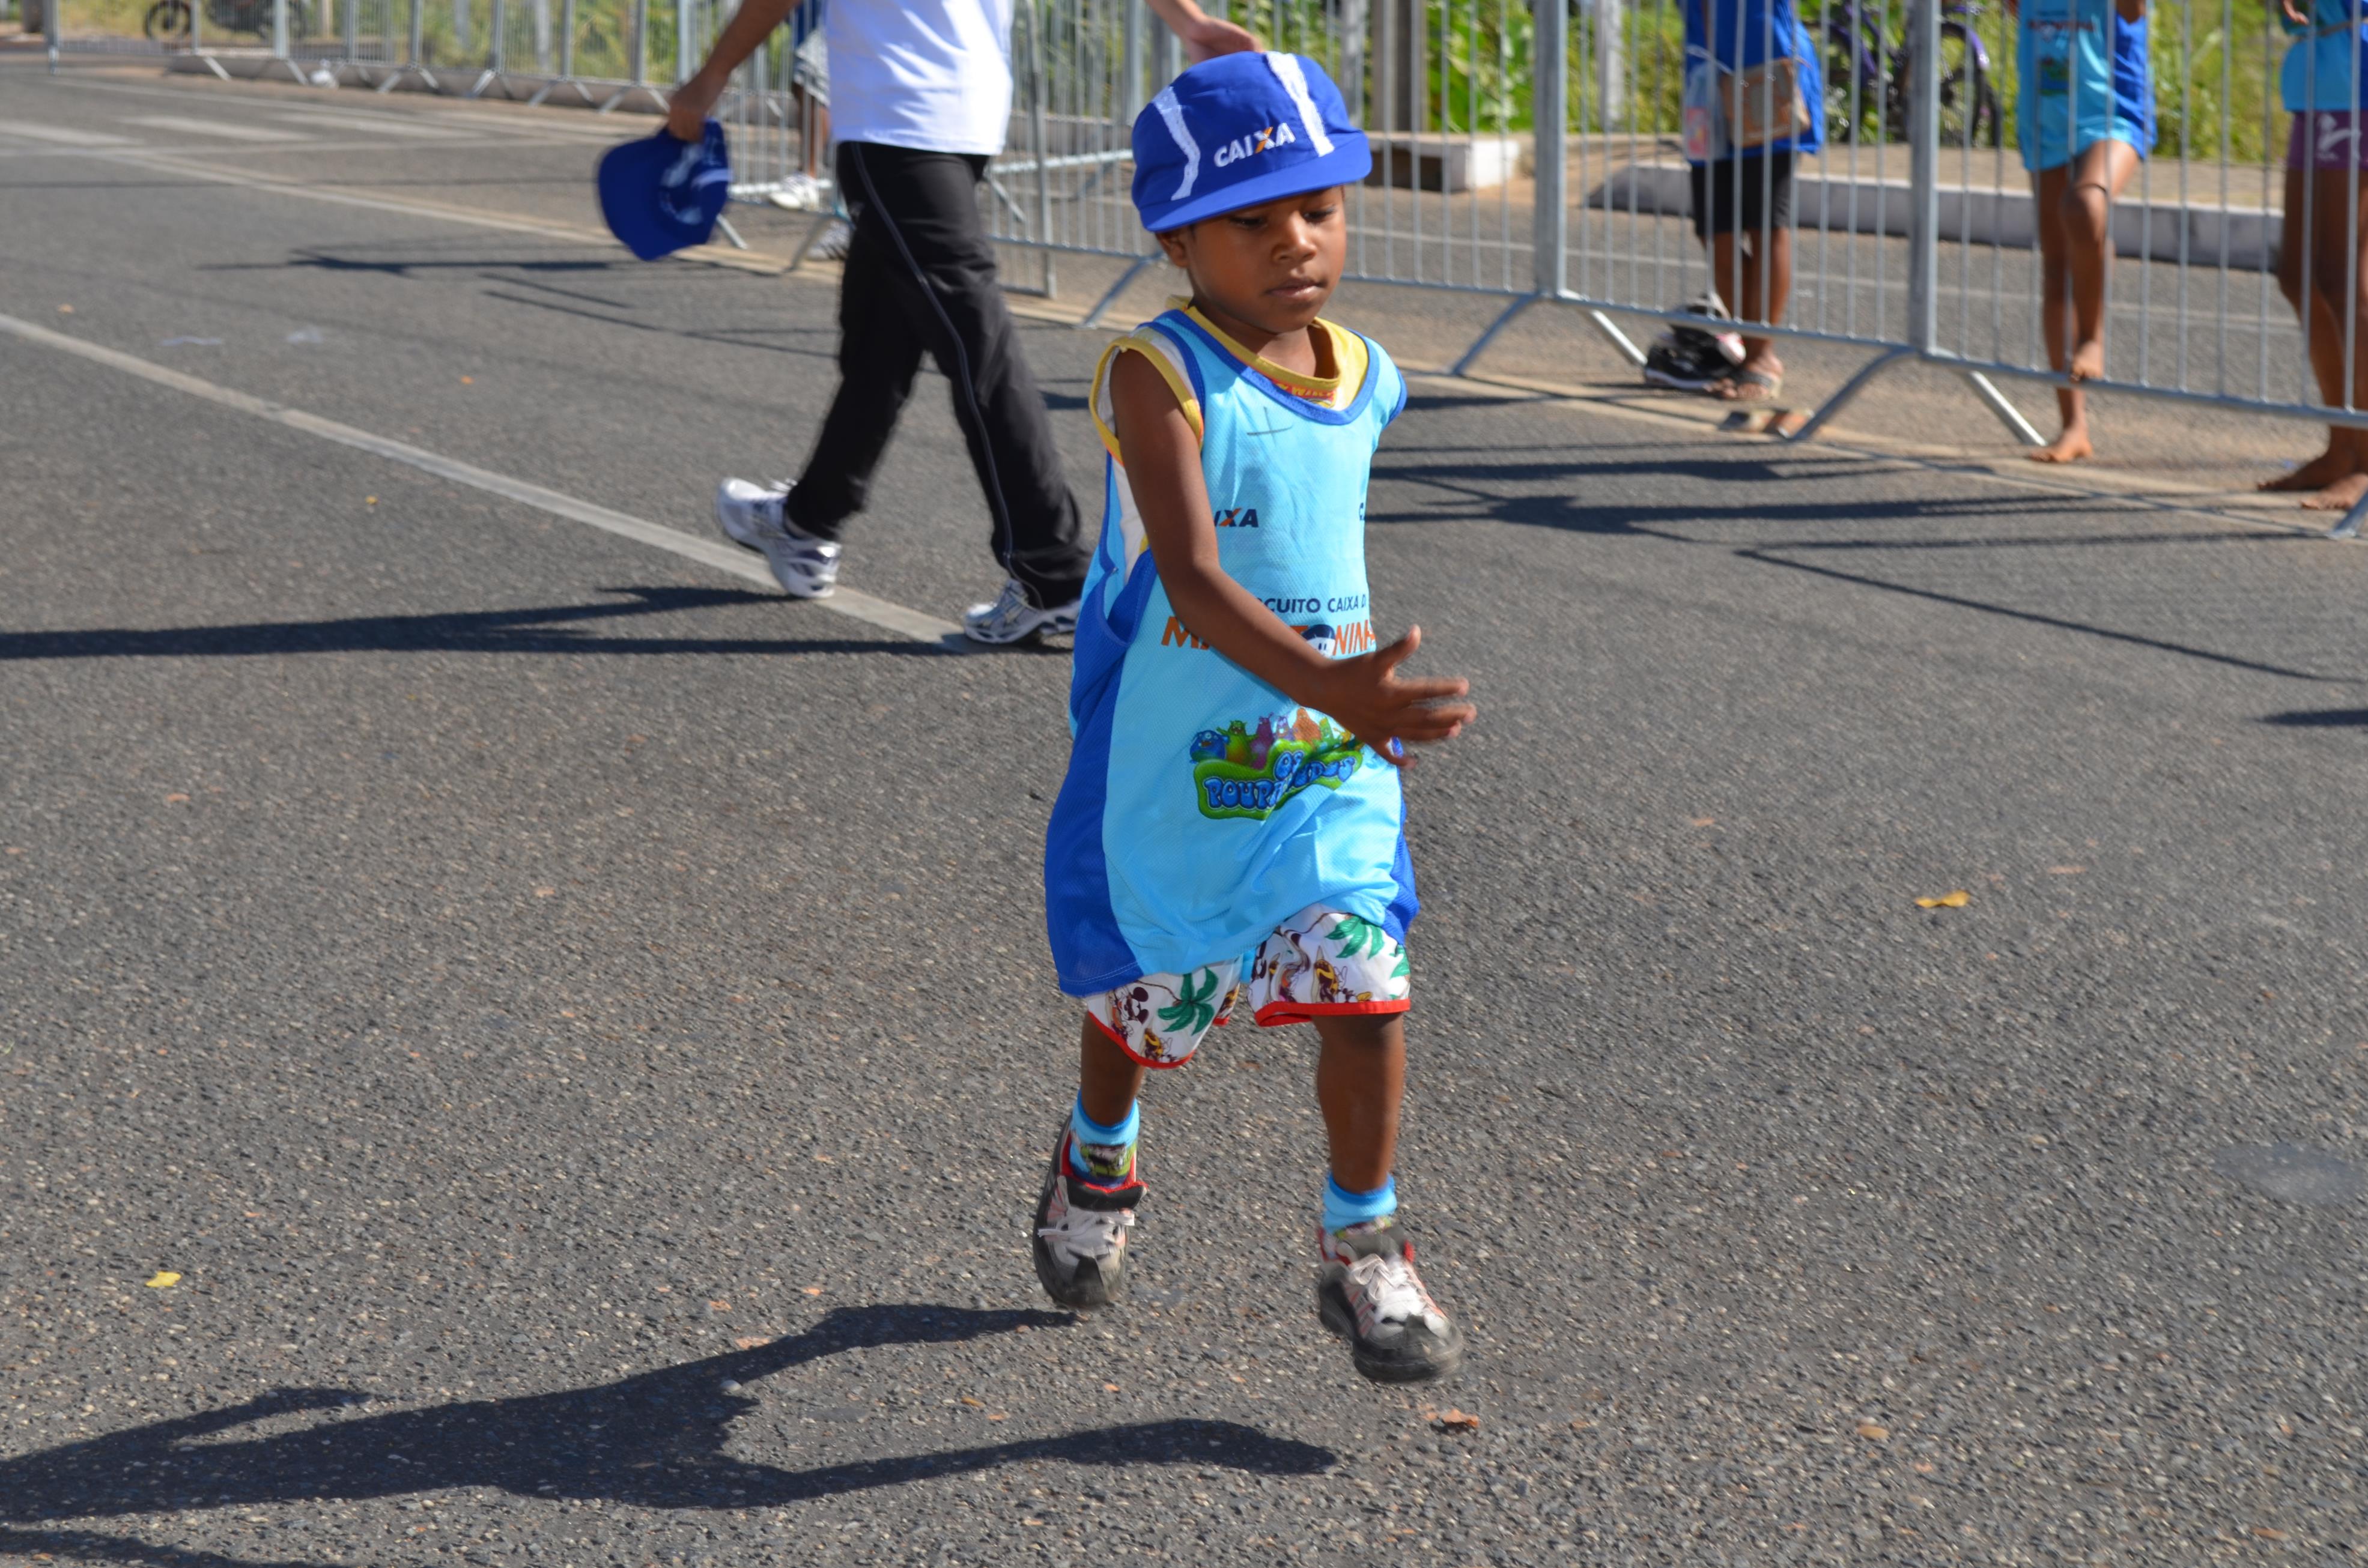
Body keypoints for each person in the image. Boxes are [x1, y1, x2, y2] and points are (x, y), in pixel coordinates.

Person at [1032, 52, 1475, 1384]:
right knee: (1148, 994)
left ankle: (1364, 1248)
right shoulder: (1151, 374)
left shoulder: (1368, 373)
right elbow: (1192, 577)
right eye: (1255, 218)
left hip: (1328, 755)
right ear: (1174, 236)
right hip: (1175, 752)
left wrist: (1347, 705)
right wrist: (1336, 682)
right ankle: (1098, 1157)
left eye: (1321, 209)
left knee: (1368, 980)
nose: (1298, 242)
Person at [666, 0, 1260, 643]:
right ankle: (809, 521)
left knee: (977, 346)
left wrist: (712, 75)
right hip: (961, 116)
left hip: (895, 122)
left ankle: (1051, 571)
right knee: (879, 346)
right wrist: (1189, 23)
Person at [2011, 0, 2152, 463]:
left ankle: (2092, 335)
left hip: (2112, 112)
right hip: (2045, 116)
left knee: (2084, 205)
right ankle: (2073, 426)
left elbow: (2134, 12)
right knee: (2056, 270)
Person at [1681, 0, 1824, 402]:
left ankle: (1761, 357)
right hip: (1708, 80)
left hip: (1767, 75)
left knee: (1764, 223)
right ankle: (1753, 348)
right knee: (1714, 230)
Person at [2265, 0, 2368, 509]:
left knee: (2343, 276)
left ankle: (2366, 459)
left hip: (2359, 71)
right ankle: (2342, 444)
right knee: (2299, 275)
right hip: (2320, 74)